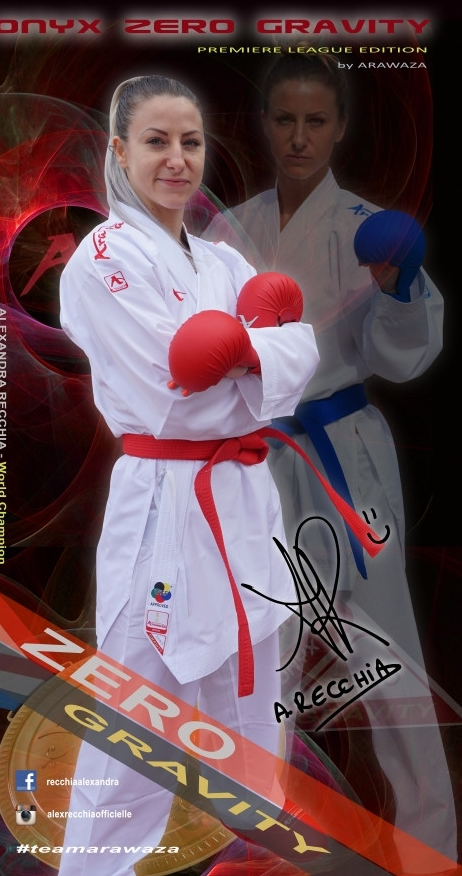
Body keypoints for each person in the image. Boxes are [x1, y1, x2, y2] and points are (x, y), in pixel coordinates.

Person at [56, 74, 328, 876]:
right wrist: (255, 360)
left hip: (241, 499)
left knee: (252, 695)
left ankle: (252, 857)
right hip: (165, 502)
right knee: (137, 710)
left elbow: (300, 351)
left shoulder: (219, 260)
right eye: (156, 141)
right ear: (118, 151)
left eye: (191, 142)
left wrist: (238, 355)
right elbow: (171, 400)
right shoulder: (102, 260)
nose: (177, 159)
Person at [202, 52, 458, 868]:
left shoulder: (368, 227)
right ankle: (258, 844)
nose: (299, 136)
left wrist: (399, 287)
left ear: (340, 126)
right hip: (256, 456)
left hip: (342, 453)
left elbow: (400, 358)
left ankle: (430, 847)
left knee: (385, 654)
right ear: (263, 124)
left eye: (316, 120)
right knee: (263, 657)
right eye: (285, 119)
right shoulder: (227, 230)